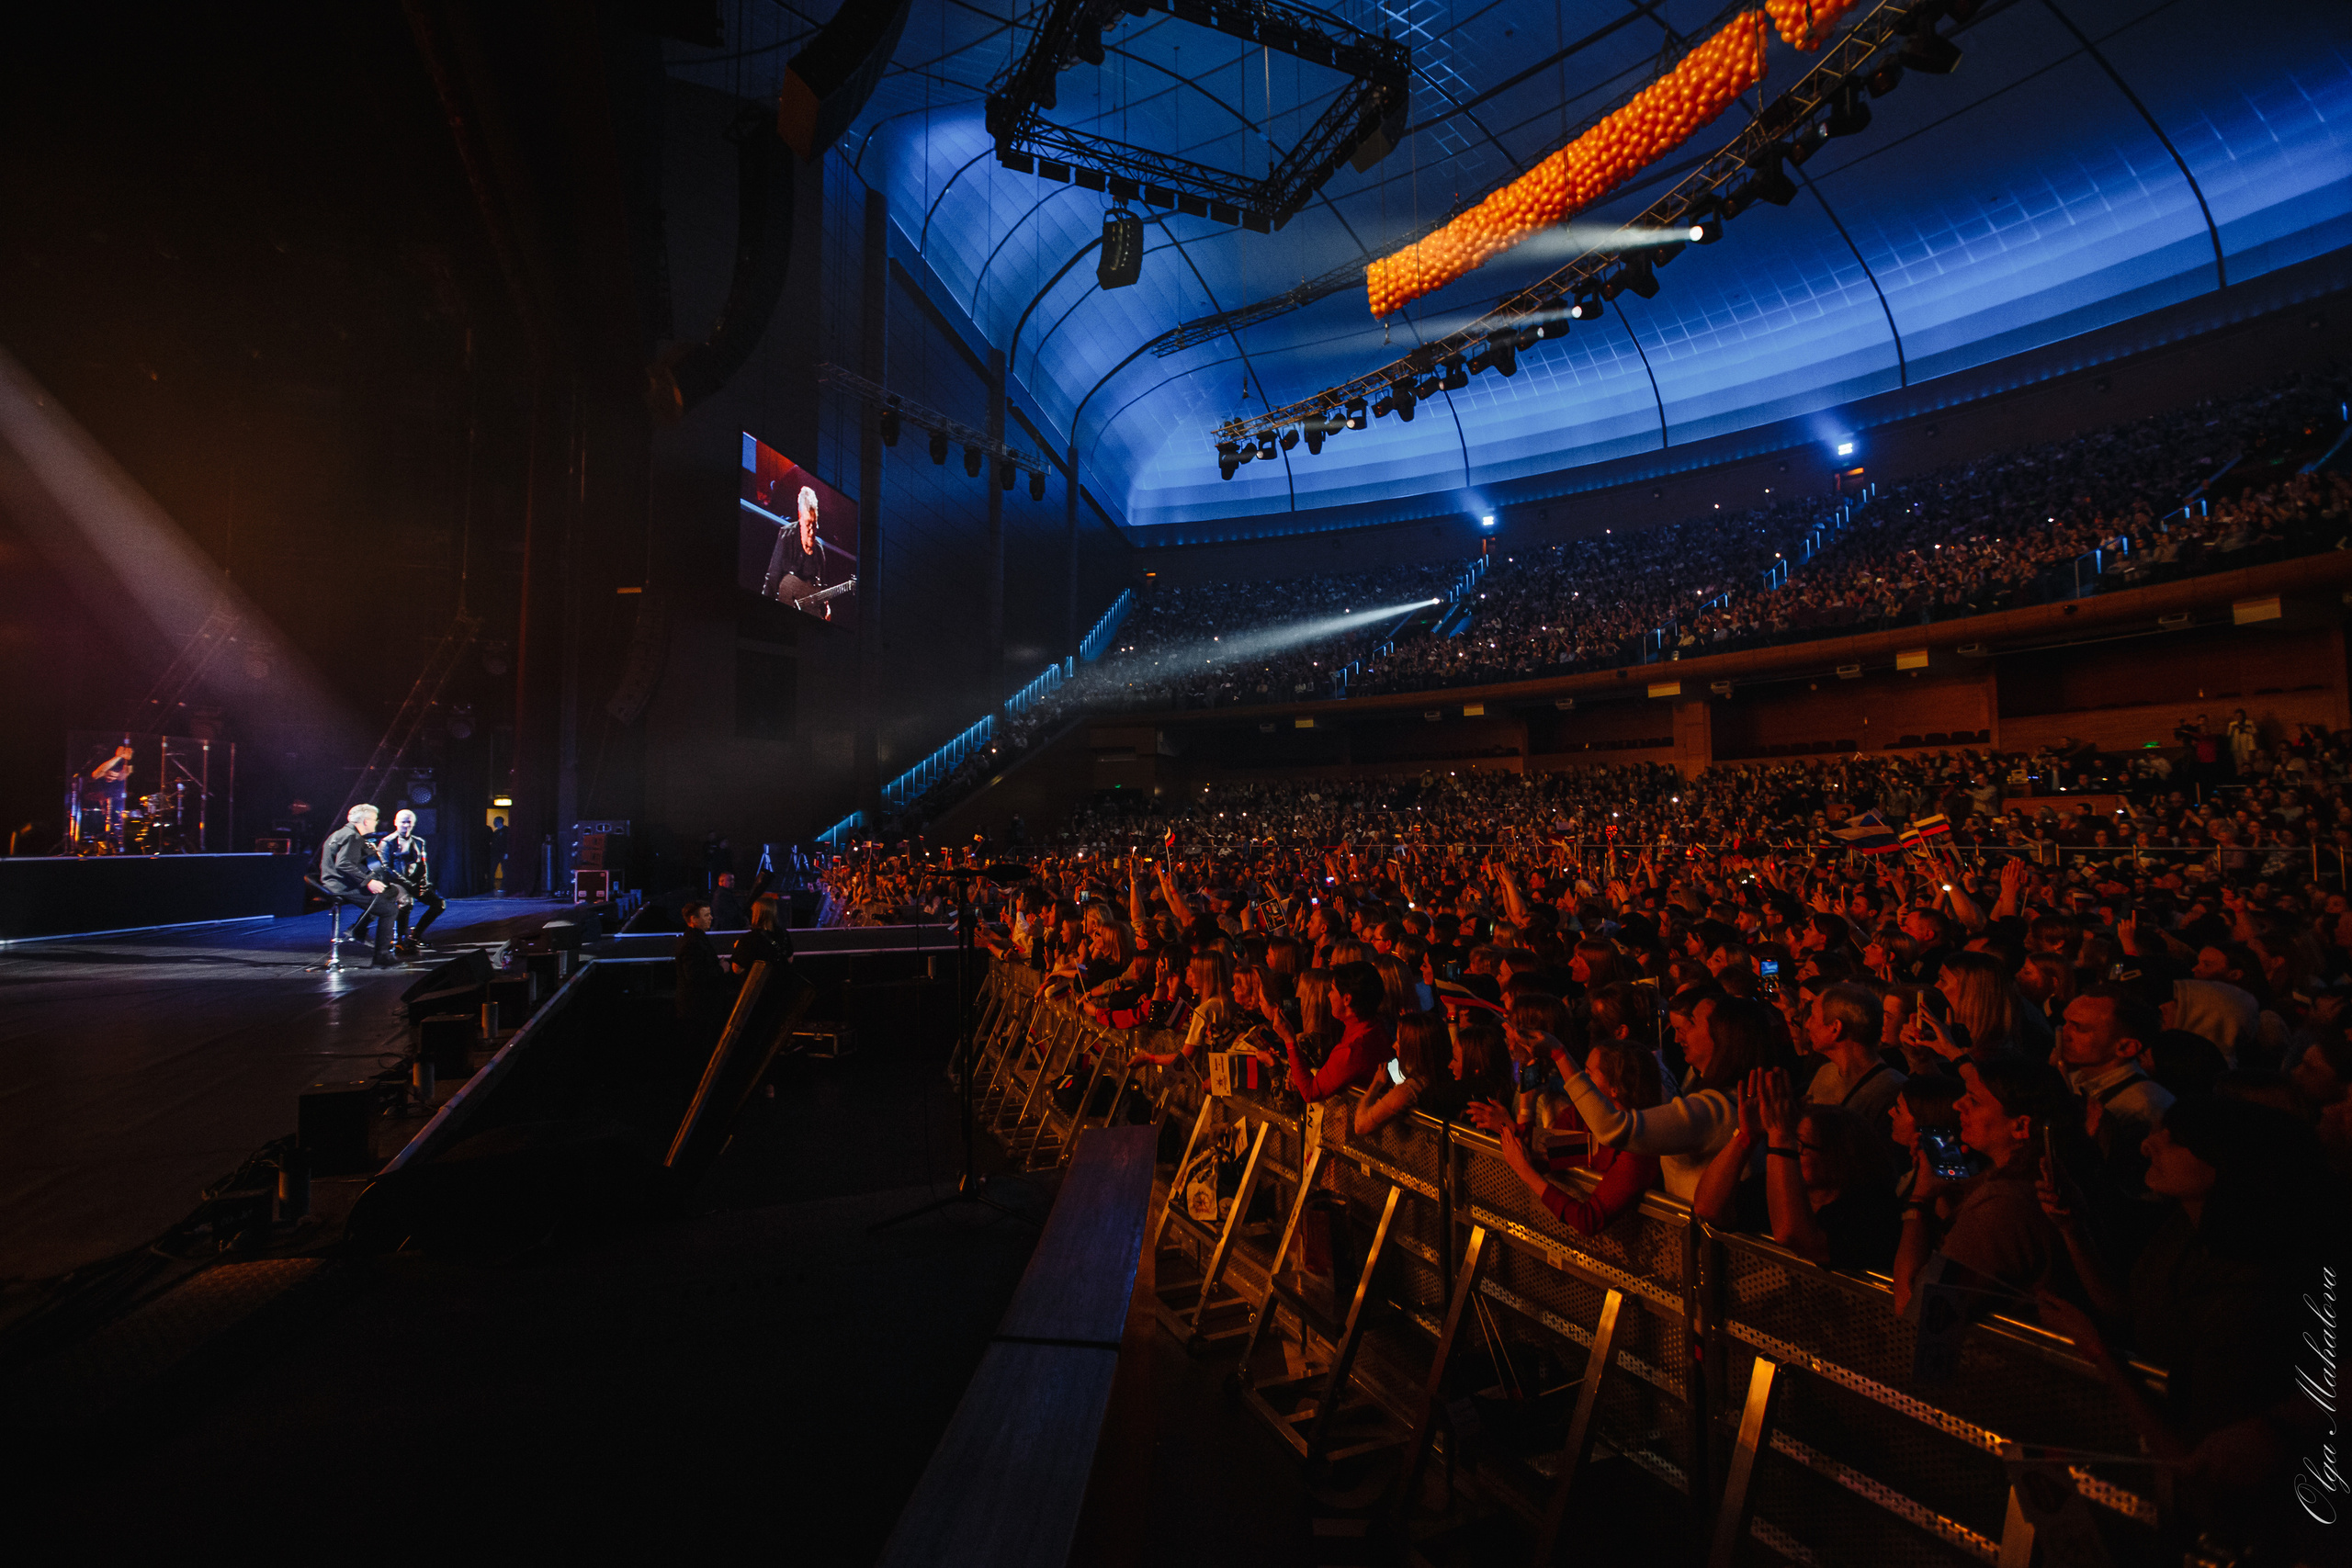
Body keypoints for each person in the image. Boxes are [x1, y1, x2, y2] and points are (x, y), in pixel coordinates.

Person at [1892, 1055, 2074, 1318]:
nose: (1957, 1105)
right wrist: (1946, 1188)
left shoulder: (2001, 1206)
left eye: (1974, 1101)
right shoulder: (2032, 1181)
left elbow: (1913, 1308)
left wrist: (1919, 1199)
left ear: (2021, 1125)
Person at [1556, 993, 1768, 1201]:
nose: (1677, 1037)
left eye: (1691, 1024)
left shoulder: (1713, 1110)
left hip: (1698, 1232)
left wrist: (1559, 1055)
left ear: (1723, 1036)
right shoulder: (1721, 1096)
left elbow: (1612, 1129)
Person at [1695, 1069, 1899, 1271]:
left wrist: (1781, 1137)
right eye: (1793, 1144)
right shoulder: (1777, 1186)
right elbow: (1708, 1208)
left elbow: (1792, 1236)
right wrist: (1747, 1135)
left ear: (1839, 1156)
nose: (1790, 1155)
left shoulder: (1870, 1209)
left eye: (1799, 1145)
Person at [1469, 1032, 1664, 1235]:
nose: (1581, 1083)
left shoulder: (1639, 1146)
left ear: (1615, 1088)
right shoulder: (1582, 1117)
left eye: (1587, 1075)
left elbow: (1588, 1220)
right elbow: (1544, 1156)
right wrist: (1513, 1121)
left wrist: (1526, 1173)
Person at [1800, 982, 1906, 1161]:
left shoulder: (1892, 1091)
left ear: (1835, 1028)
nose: (1807, 1024)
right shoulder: (1826, 1073)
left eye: (1813, 1016)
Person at [1284, 960, 1395, 1100]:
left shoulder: (1353, 1050)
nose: (1329, 995)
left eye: (1332, 990)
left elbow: (1310, 1092)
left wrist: (1289, 1040)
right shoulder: (1375, 1027)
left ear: (1347, 999)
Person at [320, 804, 401, 968]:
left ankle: (358, 929)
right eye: (374, 820)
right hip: (342, 886)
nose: (376, 823)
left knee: (391, 892)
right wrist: (368, 882)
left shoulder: (339, 834)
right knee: (390, 911)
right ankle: (382, 955)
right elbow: (343, 864)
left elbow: (348, 858)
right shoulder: (353, 837)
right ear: (365, 821)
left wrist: (369, 850)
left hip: (332, 881)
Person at [367, 807, 443, 955]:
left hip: (414, 882)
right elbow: (386, 869)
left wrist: (424, 883)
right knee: (406, 902)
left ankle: (415, 935)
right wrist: (408, 884)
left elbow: (423, 864)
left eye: (409, 822)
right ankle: (400, 939)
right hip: (396, 883)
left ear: (413, 824)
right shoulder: (387, 842)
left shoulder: (418, 842)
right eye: (403, 822)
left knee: (439, 904)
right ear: (396, 823)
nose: (406, 825)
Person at [762, 484, 833, 615]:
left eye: (814, 524)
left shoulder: (819, 549)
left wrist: (826, 609)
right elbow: (772, 579)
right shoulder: (786, 535)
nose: (811, 532)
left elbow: (822, 586)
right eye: (807, 525)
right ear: (800, 517)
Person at [673, 896, 727, 1056]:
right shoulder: (693, 942)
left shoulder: (694, 938)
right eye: (706, 915)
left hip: (697, 1008)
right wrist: (721, 969)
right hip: (697, 1009)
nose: (711, 918)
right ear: (693, 919)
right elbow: (695, 975)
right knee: (699, 1050)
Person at [730, 892, 794, 975]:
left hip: (759, 985)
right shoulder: (784, 934)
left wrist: (737, 948)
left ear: (756, 913)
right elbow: (790, 959)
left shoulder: (748, 939)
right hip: (781, 983)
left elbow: (737, 969)